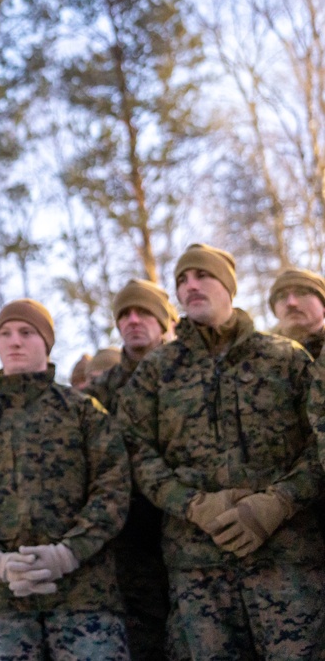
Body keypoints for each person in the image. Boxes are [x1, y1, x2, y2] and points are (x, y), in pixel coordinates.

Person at [114, 244, 325, 660]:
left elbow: (318, 444)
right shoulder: (157, 372)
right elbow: (136, 452)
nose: (190, 286)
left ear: (229, 286)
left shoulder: (285, 359)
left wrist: (279, 503)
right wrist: (193, 505)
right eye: (181, 281)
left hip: (287, 562)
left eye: (201, 276)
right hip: (198, 570)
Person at [0, 299, 131, 660]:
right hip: (0, 602)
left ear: (46, 342)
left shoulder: (83, 411)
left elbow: (113, 488)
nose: (14, 342)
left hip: (85, 597)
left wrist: (67, 553)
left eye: (26, 333)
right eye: (5, 334)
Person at [84, 279, 178, 661]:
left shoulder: (192, 371)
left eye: (143, 312)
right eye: (124, 314)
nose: (133, 320)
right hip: (131, 545)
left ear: (164, 319)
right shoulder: (97, 394)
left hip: (195, 530)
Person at [269, 268, 325, 358]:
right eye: (282, 296)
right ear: (275, 311)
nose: (291, 303)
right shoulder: (255, 356)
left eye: (302, 293)